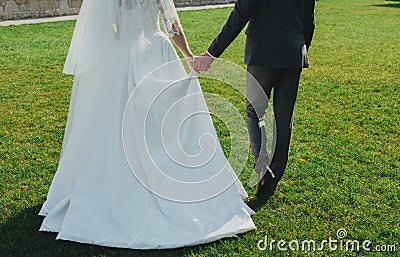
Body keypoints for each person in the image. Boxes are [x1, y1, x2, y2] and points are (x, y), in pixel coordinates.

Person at [38, 0, 255, 249]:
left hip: (122, 56)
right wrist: (188, 57)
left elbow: (107, 29)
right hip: (156, 52)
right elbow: (173, 25)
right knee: (164, 123)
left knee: (116, 125)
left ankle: (112, 188)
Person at [194, 0, 316, 198]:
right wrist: (300, 49)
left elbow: (240, 15)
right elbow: (309, 21)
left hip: (262, 54)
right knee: (283, 119)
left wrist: (211, 53)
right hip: (293, 54)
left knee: (254, 112)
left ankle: (262, 171)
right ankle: (273, 177)